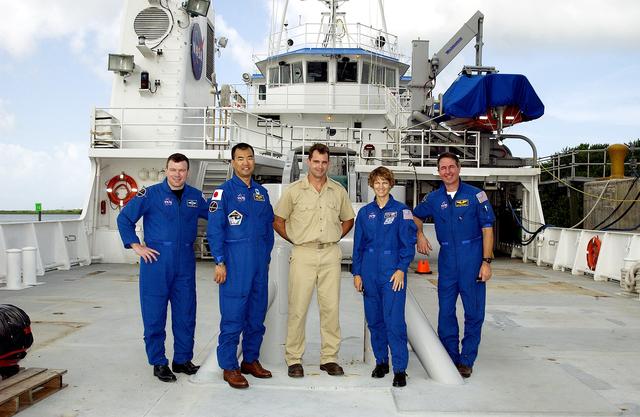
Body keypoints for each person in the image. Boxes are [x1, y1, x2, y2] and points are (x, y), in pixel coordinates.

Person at [117, 153, 208, 382]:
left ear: (188, 172)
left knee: (186, 313)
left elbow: (216, 218)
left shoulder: (195, 197)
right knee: (154, 314)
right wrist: (136, 245)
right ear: (166, 170)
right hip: (156, 262)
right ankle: (158, 362)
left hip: (185, 261)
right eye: (173, 170)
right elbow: (124, 218)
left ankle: (182, 360)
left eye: (182, 170)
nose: (177, 175)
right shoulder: (150, 194)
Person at [273, 143, 355, 378]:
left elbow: (348, 219)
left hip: (330, 254)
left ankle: (329, 358)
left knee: (331, 308)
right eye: (316, 161)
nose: (320, 166)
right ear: (309, 162)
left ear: (328, 163)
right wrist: (296, 239)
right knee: (298, 308)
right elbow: (278, 220)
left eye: (324, 162)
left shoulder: (337, 191)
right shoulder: (294, 190)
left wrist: (335, 236)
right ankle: (294, 359)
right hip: (303, 254)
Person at [412, 152, 495, 378]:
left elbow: (487, 229)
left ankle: (467, 360)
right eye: (443, 168)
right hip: (447, 259)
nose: (447, 171)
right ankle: (450, 355)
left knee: (474, 312)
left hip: (472, 259)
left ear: (459, 168)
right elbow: (415, 216)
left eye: (451, 167)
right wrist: (419, 234)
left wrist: (486, 262)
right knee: (446, 311)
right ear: (438, 171)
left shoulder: (476, 195)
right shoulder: (433, 198)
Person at [206, 143, 275, 389]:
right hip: (234, 263)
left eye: (249, 158)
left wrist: (266, 258)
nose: (245, 162)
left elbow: (268, 229)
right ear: (233, 163)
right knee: (233, 316)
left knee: (256, 314)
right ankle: (229, 366)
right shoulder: (222, 193)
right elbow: (214, 230)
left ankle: (250, 360)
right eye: (240, 158)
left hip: (258, 264)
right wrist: (219, 262)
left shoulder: (261, 193)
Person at [352, 167, 417, 387]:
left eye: (385, 182)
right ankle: (381, 362)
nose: (381, 186)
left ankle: (400, 369)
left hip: (392, 273)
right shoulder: (364, 213)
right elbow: (358, 246)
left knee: (394, 321)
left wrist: (401, 269)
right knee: (375, 321)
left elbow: (408, 244)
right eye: (377, 182)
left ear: (391, 185)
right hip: (369, 272)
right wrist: (357, 272)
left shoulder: (401, 211)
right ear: (372, 185)